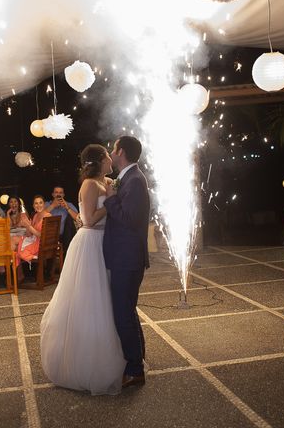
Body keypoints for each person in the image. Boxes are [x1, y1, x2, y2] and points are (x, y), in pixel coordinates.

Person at [40, 144, 126, 395]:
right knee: (90, 300)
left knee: (105, 300)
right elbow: (87, 219)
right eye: (108, 155)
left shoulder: (107, 181)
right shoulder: (89, 184)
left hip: (104, 241)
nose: (111, 158)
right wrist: (110, 200)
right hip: (91, 243)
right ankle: (85, 364)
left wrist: (112, 193)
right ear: (100, 159)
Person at [104, 136, 151, 388]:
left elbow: (129, 218)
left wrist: (111, 198)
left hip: (127, 258)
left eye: (113, 149)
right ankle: (138, 358)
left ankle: (135, 370)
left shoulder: (134, 181)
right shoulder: (130, 178)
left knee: (123, 313)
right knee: (128, 310)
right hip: (125, 256)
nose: (111, 153)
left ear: (121, 152)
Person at [15, 195, 51, 270]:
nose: (38, 205)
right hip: (34, 240)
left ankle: (19, 272)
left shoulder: (47, 216)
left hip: (42, 244)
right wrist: (27, 225)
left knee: (17, 248)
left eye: (40, 203)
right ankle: (18, 273)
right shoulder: (35, 216)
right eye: (36, 203)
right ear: (33, 206)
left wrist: (29, 226)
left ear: (44, 205)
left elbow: (42, 236)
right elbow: (29, 234)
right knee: (13, 240)